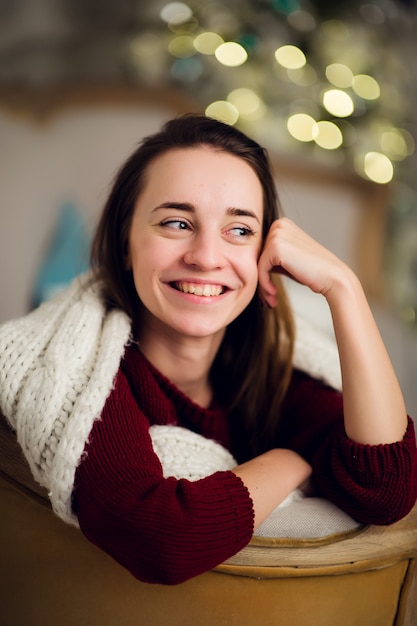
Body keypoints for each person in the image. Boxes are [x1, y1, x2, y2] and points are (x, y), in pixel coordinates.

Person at [0, 114, 416, 586]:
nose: (206, 256)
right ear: (124, 243)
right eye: (177, 223)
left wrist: (345, 289)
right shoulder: (80, 373)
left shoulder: (269, 371)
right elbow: (161, 539)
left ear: (266, 256)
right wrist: (292, 460)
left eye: (239, 230)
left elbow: (385, 490)